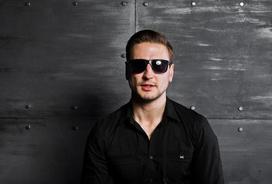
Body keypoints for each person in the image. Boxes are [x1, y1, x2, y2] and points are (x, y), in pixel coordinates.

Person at [81, 30, 224, 184]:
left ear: (170, 73)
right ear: (127, 71)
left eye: (159, 65)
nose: (148, 74)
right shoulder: (103, 132)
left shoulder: (197, 128)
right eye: (138, 65)